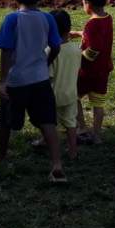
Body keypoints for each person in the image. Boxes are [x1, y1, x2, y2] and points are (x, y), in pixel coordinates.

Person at [0, 0, 67, 183]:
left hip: (16, 82)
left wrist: (3, 80)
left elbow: (5, 51)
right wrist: (46, 63)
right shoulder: (48, 18)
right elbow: (57, 46)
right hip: (40, 81)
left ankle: (1, 157)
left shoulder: (12, 19)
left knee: (5, 122)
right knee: (47, 121)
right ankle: (57, 165)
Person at [71, 0, 113, 144]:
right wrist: (78, 33)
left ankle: (82, 128)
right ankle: (96, 135)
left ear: (87, 3)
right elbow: (100, 38)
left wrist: (78, 57)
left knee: (74, 96)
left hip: (88, 72)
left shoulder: (91, 24)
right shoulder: (107, 18)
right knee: (98, 104)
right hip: (104, 70)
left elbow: (93, 49)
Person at [39, 9, 81, 160]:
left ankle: (44, 140)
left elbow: (48, 76)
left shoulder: (50, 51)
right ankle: (73, 152)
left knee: (47, 121)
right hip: (71, 94)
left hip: (52, 96)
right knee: (70, 123)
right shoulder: (77, 49)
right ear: (69, 29)